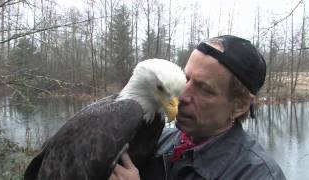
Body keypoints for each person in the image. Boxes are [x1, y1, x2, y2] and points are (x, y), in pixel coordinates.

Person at [109, 35, 286, 180]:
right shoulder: (154, 138)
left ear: (239, 106)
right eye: (186, 79)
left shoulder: (257, 175)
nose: (182, 96)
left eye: (204, 89)